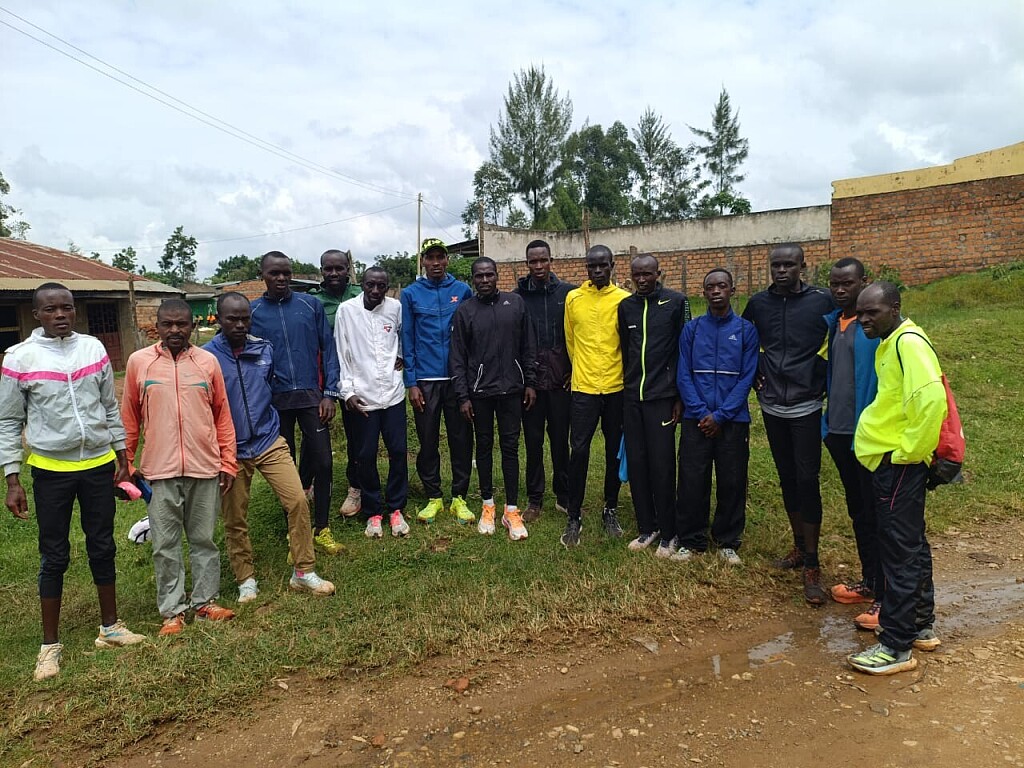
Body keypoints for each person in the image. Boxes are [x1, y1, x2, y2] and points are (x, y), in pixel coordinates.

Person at [0, 283, 145, 681]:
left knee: (103, 544)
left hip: (98, 465)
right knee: (54, 554)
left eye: (67, 307)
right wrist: (12, 478)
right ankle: (49, 646)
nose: (61, 314)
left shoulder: (93, 349)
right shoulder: (20, 358)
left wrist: (122, 456)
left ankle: (110, 627)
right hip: (51, 470)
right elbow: (9, 422)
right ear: (37, 314)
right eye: (51, 309)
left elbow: (109, 407)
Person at [205, 292, 336, 603]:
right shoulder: (206, 358)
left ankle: (303, 571)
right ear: (219, 319)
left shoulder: (263, 348)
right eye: (232, 319)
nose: (239, 325)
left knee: (298, 501)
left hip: (268, 440)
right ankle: (245, 579)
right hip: (231, 450)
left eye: (245, 319)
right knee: (235, 518)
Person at [122, 298, 238, 636]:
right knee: (165, 544)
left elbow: (222, 415)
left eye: (182, 324)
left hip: (204, 466)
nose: (175, 330)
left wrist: (228, 462)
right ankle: (172, 610)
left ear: (192, 325)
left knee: (204, 540)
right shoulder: (139, 363)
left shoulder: (207, 362)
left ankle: (205, 602)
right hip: (159, 470)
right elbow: (129, 417)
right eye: (168, 324)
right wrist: (125, 462)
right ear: (156, 327)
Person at [847, 282, 945, 675]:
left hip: (899, 465)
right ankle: (920, 625)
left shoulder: (908, 343)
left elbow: (932, 401)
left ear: (894, 307)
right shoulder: (891, 342)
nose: (863, 320)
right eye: (860, 312)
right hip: (895, 463)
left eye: (871, 312)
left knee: (898, 552)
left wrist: (906, 453)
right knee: (911, 545)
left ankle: (895, 646)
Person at [742, 243, 835, 604]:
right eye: (776, 265)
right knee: (786, 477)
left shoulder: (822, 301)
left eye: (788, 265)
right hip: (772, 405)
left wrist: (823, 378)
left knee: (807, 479)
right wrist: (754, 373)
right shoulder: (759, 304)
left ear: (802, 267)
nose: (781, 271)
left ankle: (812, 563)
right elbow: (745, 340)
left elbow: (840, 337)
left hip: (806, 404)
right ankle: (798, 546)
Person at [250, 251, 344, 556]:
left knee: (324, 461)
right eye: (274, 273)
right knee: (286, 468)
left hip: (311, 397)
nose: (281, 278)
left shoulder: (310, 305)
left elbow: (328, 349)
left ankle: (322, 528)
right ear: (263, 275)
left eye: (286, 273)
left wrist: (329, 393)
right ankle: (294, 531)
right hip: (275, 402)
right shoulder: (252, 312)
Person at [674, 269, 759, 565]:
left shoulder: (746, 330)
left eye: (722, 286)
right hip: (696, 419)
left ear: (732, 290)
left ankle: (727, 540)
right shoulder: (692, 329)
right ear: (704, 292)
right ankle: (691, 539)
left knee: (732, 480)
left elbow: (747, 377)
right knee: (691, 479)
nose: (716, 291)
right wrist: (701, 412)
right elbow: (683, 374)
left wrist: (721, 416)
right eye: (710, 287)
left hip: (732, 420)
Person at [450, 257, 537, 540]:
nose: (485, 280)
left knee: (510, 448)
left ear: (497, 275)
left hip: (512, 390)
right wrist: (463, 396)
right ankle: (488, 504)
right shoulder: (465, 311)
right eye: (479, 276)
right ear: (473, 279)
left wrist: (530, 382)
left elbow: (528, 345)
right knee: (484, 446)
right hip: (480, 393)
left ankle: (511, 510)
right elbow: (457, 358)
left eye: (489, 274)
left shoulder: (515, 304)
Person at [819, 259, 882, 618]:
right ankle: (870, 580)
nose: (840, 290)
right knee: (858, 510)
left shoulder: (874, 328)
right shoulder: (833, 324)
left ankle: (887, 594)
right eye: (835, 284)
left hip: (870, 437)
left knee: (878, 513)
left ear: (864, 282)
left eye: (848, 283)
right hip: (839, 433)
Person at [618, 255, 689, 555]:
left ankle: (670, 532)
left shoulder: (676, 302)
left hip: (662, 398)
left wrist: (679, 396)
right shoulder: (626, 307)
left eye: (647, 274)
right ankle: (647, 527)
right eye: (637, 274)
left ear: (658, 273)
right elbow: (626, 349)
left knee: (662, 465)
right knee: (637, 463)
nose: (642, 279)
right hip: (633, 397)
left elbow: (684, 350)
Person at [400, 238, 475, 525]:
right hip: (426, 380)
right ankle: (433, 496)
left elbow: (470, 335)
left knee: (461, 438)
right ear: (422, 261)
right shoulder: (410, 294)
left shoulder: (462, 290)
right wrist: (411, 382)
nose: (435, 263)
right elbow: (407, 338)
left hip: (457, 379)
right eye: (429, 258)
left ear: (447, 260)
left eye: (440, 257)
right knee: (428, 439)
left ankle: (459, 497)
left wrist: (468, 378)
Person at [561, 244, 631, 547]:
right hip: (584, 388)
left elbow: (627, 342)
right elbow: (570, 340)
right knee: (579, 451)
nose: (598, 270)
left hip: (616, 387)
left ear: (613, 265)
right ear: (586, 267)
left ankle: (610, 508)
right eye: (592, 266)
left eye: (603, 265)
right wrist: (581, 369)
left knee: (614, 450)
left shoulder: (624, 299)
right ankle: (573, 514)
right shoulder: (574, 298)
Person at [335, 267, 410, 539]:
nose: (376, 291)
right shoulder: (347, 311)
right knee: (365, 456)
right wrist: (347, 391)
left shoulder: (395, 308)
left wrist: (401, 357)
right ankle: (373, 510)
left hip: (392, 394)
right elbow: (342, 352)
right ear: (362, 285)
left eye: (381, 286)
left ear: (387, 287)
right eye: (370, 285)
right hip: (363, 396)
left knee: (398, 451)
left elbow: (402, 336)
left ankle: (396, 507)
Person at [515, 240, 575, 522]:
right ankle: (535, 498)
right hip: (531, 385)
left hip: (561, 381)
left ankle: (564, 495)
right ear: (526, 264)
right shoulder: (518, 298)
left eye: (543, 260)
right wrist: (525, 379)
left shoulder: (569, 294)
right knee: (533, 441)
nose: (539, 266)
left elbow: (578, 336)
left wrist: (573, 370)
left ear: (552, 261)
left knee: (561, 440)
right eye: (533, 261)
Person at [309, 248, 364, 519]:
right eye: (328, 268)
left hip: (357, 376)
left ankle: (356, 487)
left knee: (357, 435)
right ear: (321, 271)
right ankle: (307, 482)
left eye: (339, 268)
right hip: (322, 377)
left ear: (347, 269)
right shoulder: (313, 301)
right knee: (314, 431)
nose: (333, 273)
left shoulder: (361, 295)